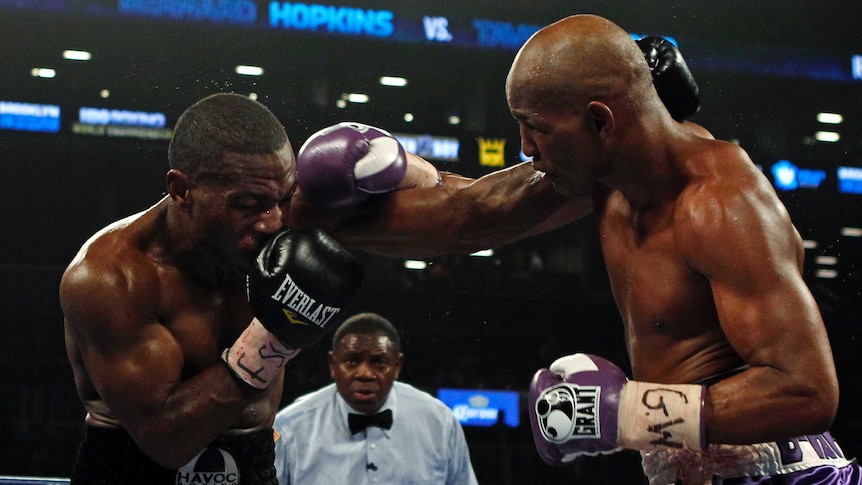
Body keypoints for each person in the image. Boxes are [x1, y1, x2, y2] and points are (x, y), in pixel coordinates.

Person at [289, 15, 862, 485]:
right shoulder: (603, 176)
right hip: (689, 466)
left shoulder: (720, 206)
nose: (524, 147)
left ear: (599, 121)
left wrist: (624, 414)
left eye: (535, 127)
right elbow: (467, 217)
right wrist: (303, 217)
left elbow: (807, 389)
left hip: (781, 470)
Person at [59, 93, 368, 484]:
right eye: (249, 203)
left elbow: (446, 218)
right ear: (182, 189)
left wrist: (409, 171)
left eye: (281, 200)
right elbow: (165, 441)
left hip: (253, 462)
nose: (272, 223)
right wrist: (277, 333)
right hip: (132, 469)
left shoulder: (276, 227)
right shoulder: (110, 277)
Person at [272, 312, 478, 485]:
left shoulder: (439, 422)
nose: (365, 373)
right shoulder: (290, 426)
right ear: (333, 365)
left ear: (397, 366)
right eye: (352, 361)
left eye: (379, 362)